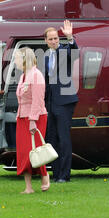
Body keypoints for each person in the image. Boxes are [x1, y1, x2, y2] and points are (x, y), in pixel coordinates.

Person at [44, 20, 79, 183]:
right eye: (51, 39)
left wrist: (70, 37)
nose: (54, 41)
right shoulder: (45, 57)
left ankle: (65, 175)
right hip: (50, 103)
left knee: (64, 138)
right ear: (46, 41)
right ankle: (56, 173)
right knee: (52, 139)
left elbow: (74, 51)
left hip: (64, 102)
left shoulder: (64, 51)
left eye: (56, 38)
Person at [14, 47, 50, 193]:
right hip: (22, 117)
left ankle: (44, 174)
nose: (15, 61)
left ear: (24, 59)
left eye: (16, 58)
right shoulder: (23, 76)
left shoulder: (36, 75)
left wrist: (33, 120)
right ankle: (28, 187)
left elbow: (38, 100)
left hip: (35, 117)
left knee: (35, 150)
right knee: (24, 153)